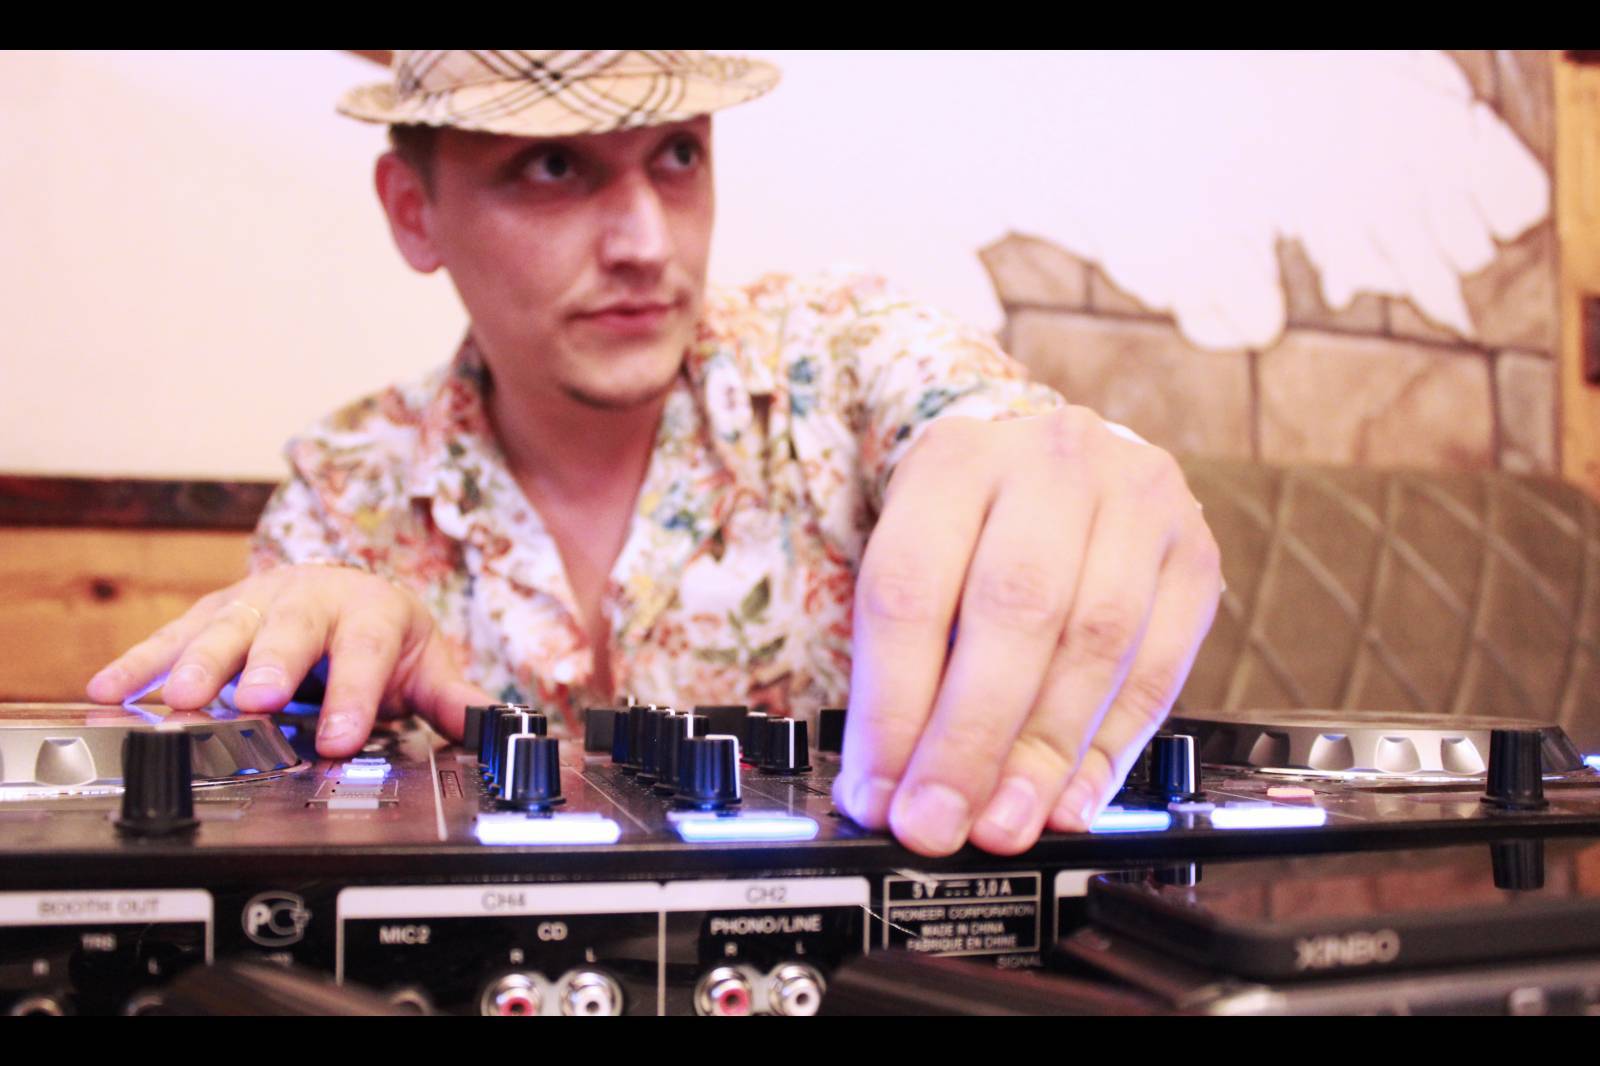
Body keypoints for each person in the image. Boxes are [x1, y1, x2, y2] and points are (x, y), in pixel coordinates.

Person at [86, 50, 1222, 859]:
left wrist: (1080, 468)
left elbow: (987, 424)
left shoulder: (844, 356)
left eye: (677, 155)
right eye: (552, 166)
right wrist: (305, 691)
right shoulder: (342, 493)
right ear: (414, 211)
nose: (644, 243)